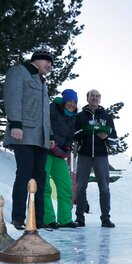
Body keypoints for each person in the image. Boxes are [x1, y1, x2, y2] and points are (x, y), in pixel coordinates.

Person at [3, 49, 55, 230]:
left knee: (40, 178)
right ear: (37, 60)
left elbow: (45, 112)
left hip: (40, 138)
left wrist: (50, 135)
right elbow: (12, 98)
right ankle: (18, 218)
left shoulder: (42, 82)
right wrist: (15, 124)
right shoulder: (19, 72)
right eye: (47, 62)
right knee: (24, 174)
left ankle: (37, 219)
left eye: (51, 64)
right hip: (23, 134)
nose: (50, 66)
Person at [74, 89, 118, 227]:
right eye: (92, 95)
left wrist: (106, 137)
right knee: (81, 187)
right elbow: (74, 134)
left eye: (97, 96)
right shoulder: (80, 116)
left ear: (100, 99)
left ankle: (105, 218)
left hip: (101, 156)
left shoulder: (107, 116)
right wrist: (85, 131)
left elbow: (114, 138)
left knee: (104, 188)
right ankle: (79, 218)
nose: (94, 98)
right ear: (87, 98)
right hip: (84, 155)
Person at [43, 89, 79, 228]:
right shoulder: (52, 108)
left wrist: (67, 149)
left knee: (65, 186)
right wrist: (50, 141)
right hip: (46, 151)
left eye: (74, 102)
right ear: (64, 101)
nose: (72, 104)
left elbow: (70, 136)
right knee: (45, 186)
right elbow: (46, 125)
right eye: (69, 101)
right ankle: (48, 219)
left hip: (59, 154)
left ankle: (65, 219)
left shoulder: (73, 116)